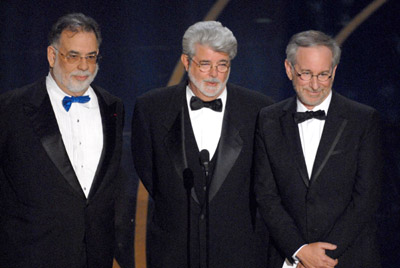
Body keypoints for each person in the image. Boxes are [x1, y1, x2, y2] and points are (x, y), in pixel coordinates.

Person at [131, 21, 273, 268]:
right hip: (172, 253)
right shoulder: (151, 108)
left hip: (239, 255)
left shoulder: (259, 110)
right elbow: (150, 175)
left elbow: (266, 186)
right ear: (186, 62)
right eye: (205, 64)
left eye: (222, 65)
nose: (214, 74)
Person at [0, 13, 131, 268]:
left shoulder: (113, 107)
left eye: (91, 56)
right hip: (30, 256)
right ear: (52, 55)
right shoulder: (10, 109)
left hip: (97, 257)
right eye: (73, 56)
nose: (84, 66)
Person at [254, 30, 382, 268]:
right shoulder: (268, 119)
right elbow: (266, 196)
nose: (315, 85)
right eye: (306, 74)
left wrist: (322, 257)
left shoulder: (363, 119)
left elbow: (366, 198)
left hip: (348, 258)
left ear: (334, 71)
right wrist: (300, 251)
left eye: (323, 75)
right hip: (289, 259)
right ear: (289, 69)